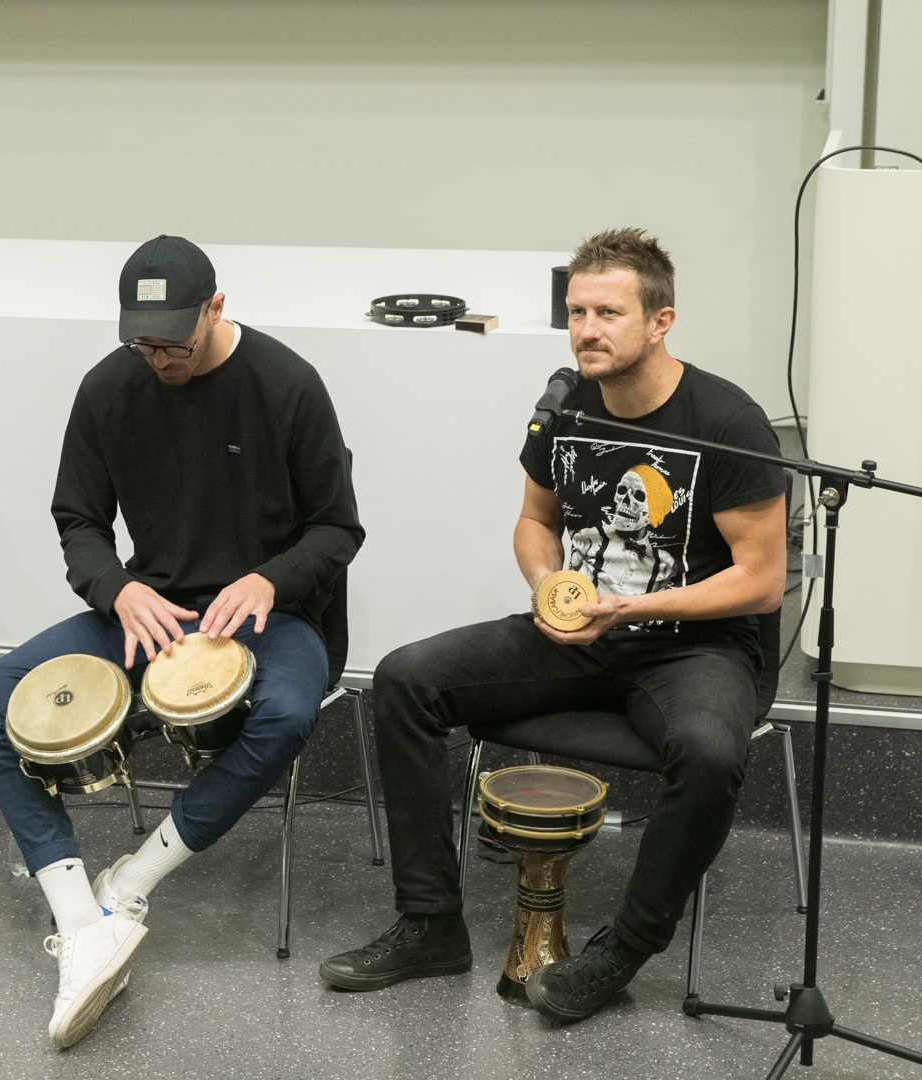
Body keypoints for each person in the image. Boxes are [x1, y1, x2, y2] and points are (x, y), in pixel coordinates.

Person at [321, 227, 787, 1023]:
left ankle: (622, 951)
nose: (586, 330)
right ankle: (431, 923)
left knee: (710, 751)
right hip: (578, 631)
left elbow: (762, 581)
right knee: (405, 679)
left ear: (661, 321)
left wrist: (632, 606)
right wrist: (549, 588)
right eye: (576, 311)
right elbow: (534, 523)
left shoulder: (728, 421)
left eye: (608, 312)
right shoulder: (565, 405)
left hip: (694, 647)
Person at [0, 235, 363, 1047]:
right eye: (143, 343)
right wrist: (120, 588)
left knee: (284, 715)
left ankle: (132, 884)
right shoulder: (110, 388)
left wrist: (270, 580)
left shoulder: (288, 385)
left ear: (217, 307)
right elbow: (77, 519)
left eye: (173, 342)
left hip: (272, 618)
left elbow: (338, 528)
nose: (158, 359)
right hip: (153, 609)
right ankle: (80, 919)